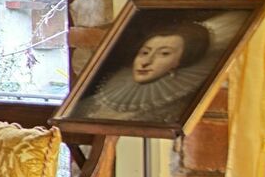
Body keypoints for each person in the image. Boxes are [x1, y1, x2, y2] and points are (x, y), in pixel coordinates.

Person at [73, 19, 217, 124]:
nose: (146, 61)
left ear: (181, 61)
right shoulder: (99, 100)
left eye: (164, 53)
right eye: (144, 52)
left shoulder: (176, 108)